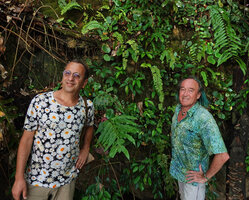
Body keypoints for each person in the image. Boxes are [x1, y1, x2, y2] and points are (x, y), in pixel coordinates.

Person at [12, 60, 94, 200]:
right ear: (62, 76)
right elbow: (26, 139)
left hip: (67, 182)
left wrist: (86, 148)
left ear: (84, 83)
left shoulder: (87, 106)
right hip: (37, 180)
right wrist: (19, 177)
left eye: (76, 75)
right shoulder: (41, 102)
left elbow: (89, 126)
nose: (70, 78)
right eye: (67, 73)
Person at [169, 77, 230, 200]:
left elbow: (223, 156)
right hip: (180, 173)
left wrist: (205, 177)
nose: (185, 94)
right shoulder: (178, 110)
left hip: (193, 180)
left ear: (198, 95)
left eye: (191, 90)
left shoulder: (203, 119)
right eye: (183, 89)